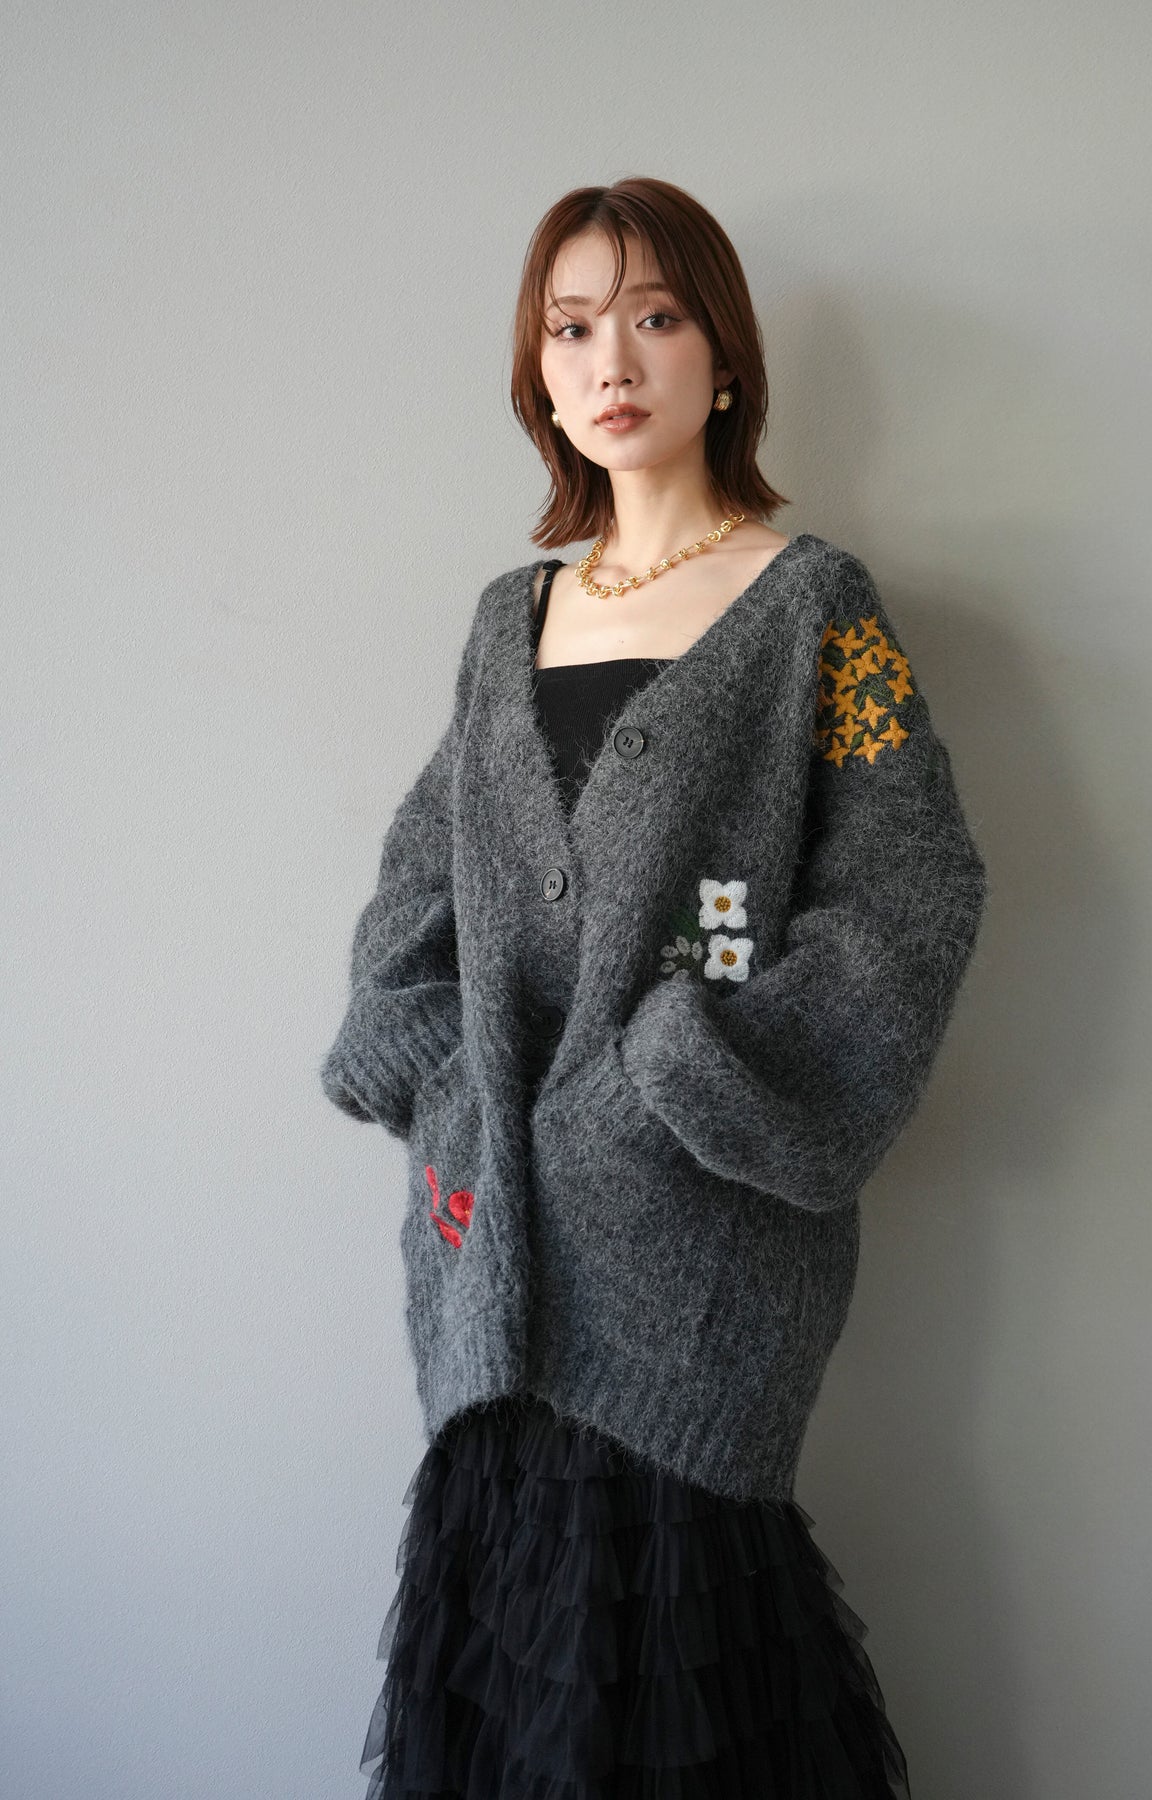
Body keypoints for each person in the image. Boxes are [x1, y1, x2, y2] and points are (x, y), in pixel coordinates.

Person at [320, 175, 988, 1799]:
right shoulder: (509, 624)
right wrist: (447, 1081)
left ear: (723, 357)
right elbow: (417, 892)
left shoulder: (812, 610)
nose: (609, 359)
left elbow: (908, 895)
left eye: (653, 315)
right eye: (570, 328)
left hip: (699, 1243)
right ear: (538, 377)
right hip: (488, 1246)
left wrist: (677, 1073)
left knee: (680, 1683)